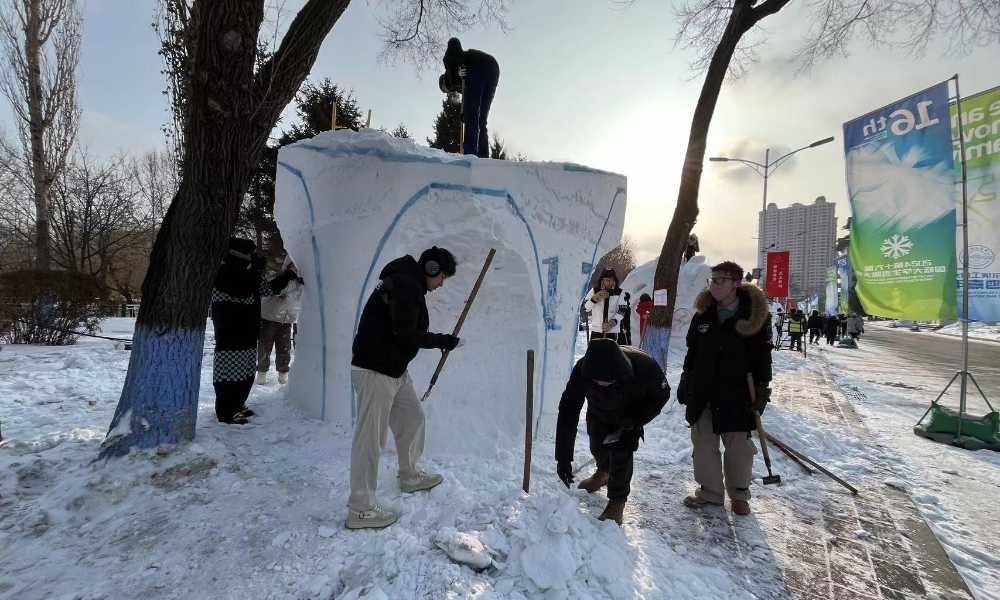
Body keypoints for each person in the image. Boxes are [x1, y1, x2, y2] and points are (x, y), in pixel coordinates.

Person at [347, 246, 462, 529]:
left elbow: (402, 332)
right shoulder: (405, 285)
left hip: (394, 369)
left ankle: (409, 475)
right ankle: (360, 509)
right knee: (370, 439)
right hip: (376, 371)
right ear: (431, 269)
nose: (441, 283)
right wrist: (441, 341)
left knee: (412, 418)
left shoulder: (407, 283)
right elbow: (407, 334)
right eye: (442, 276)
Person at [678, 261, 772, 516]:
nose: (714, 285)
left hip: (738, 392)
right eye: (713, 280)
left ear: (736, 283)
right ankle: (710, 492)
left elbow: (764, 357)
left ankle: (739, 495)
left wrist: (763, 389)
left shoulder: (754, 316)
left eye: (721, 280)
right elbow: (692, 352)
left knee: (738, 446)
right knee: (703, 442)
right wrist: (685, 380)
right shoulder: (703, 315)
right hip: (704, 390)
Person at [555, 338, 669, 525]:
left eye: (607, 382)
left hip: (630, 413)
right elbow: (568, 410)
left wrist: (635, 420)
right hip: (598, 412)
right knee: (597, 442)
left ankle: (617, 502)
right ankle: (603, 472)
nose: (602, 385)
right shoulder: (583, 369)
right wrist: (563, 458)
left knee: (621, 451)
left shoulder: (644, 368)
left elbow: (661, 396)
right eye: (597, 383)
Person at [211, 237, 298, 424]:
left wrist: (287, 277)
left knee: (244, 373)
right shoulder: (224, 273)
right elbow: (241, 289)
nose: (253, 260)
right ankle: (226, 412)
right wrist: (257, 270)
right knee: (229, 374)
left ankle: (237, 405)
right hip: (230, 336)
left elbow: (267, 289)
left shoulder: (246, 275)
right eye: (250, 256)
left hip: (247, 334)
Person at [440, 38, 500, 158]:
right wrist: (465, 114)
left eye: (444, 89)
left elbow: (453, 42)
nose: (447, 92)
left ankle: (470, 153)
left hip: (477, 67)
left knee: (472, 117)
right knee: (481, 120)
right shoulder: (461, 86)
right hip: (493, 68)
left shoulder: (449, 70)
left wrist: (457, 69)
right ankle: (483, 157)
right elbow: (470, 100)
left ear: (443, 83)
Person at [256, 255, 304, 385]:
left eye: (296, 266)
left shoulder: (299, 281)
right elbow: (275, 291)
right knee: (265, 346)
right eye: (292, 266)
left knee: (284, 348)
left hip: (287, 320)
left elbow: (298, 300)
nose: (295, 268)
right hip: (269, 317)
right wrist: (287, 278)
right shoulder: (278, 276)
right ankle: (262, 373)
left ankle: (283, 374)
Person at [583, 269, 625, 343]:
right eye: (607, 280)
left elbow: (622, 310)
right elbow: (586, 308)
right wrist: (594, 299)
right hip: (596, 330)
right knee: (595, 354)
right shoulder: (594, 291)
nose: (609, 283)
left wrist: (613, 322)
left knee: (610, 354)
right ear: (602, 280)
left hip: (612, 331)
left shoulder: (619, 292)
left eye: (611, 280)